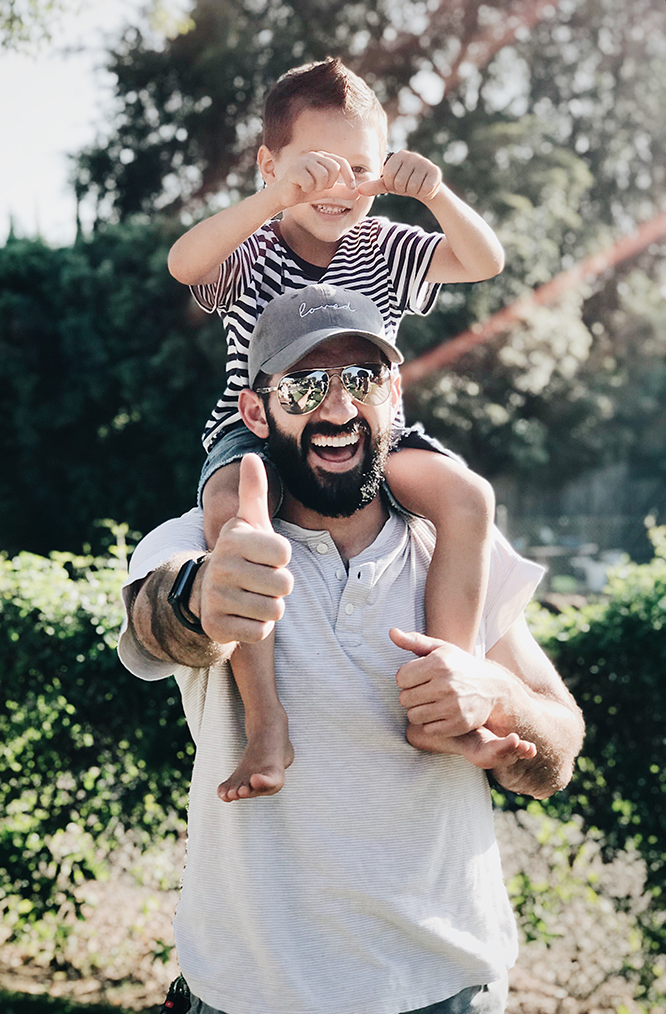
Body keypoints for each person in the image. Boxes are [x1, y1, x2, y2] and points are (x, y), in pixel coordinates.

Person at [119, 286, 585, 1014]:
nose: (337, 408)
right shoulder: (205, 542)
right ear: (256, 411)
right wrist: (202, 599)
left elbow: (560, 748)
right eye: (305, 386)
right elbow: (157, 620)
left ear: (394, 396)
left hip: (450, 992)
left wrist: (498, 699)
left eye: (361, 380)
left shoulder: (455, 547)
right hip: (252, 998)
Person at [166, 57, 505, 802]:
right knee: (235, 517)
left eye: (359, 167)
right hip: (254, 433)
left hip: (370, 438)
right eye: (314, 170)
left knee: (468, 497)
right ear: (270, 165)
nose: (338, 187)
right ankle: (266, 723)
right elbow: (184, 263)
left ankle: (441, 690)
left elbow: (485, 261)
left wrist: (437, 193)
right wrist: (270, 202)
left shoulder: (384, 244)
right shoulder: (251, 249)